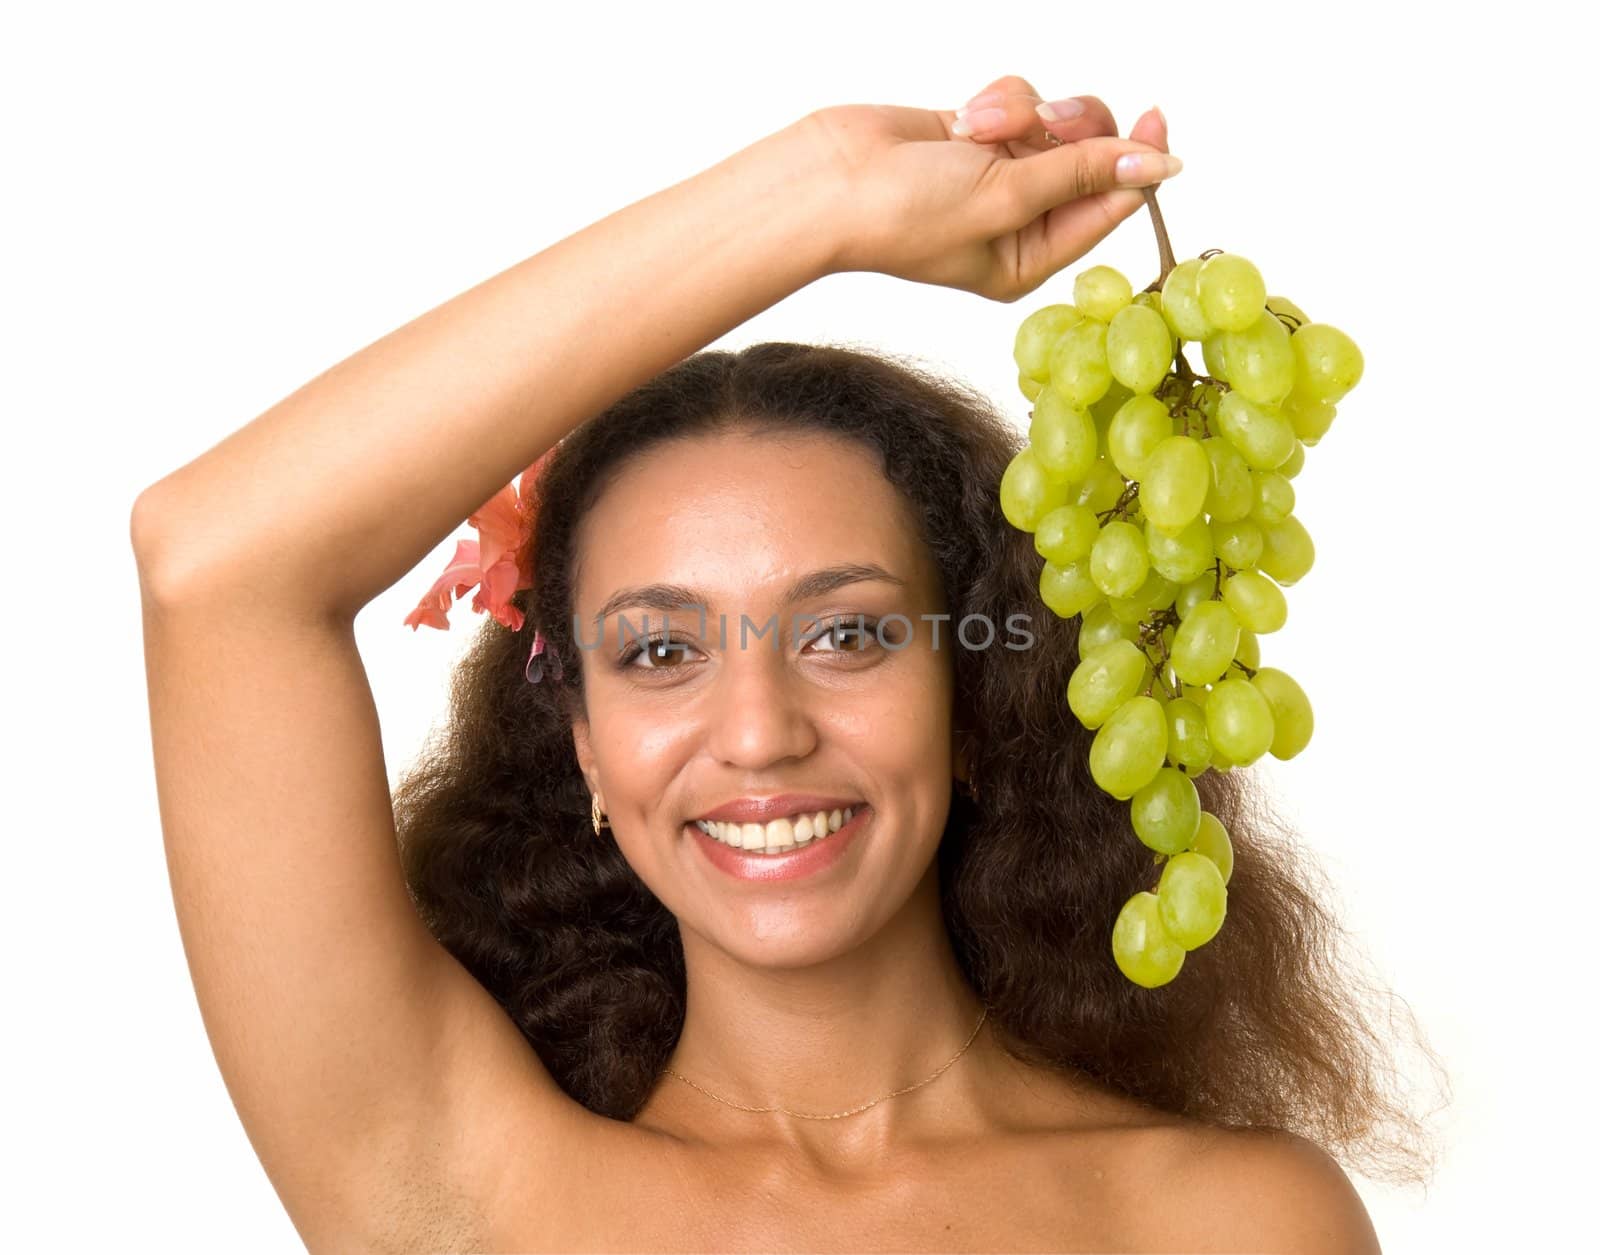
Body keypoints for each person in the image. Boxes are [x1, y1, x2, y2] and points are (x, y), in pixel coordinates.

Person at [133, 74, 1437, 1252]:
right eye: (658, 650)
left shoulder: (1231, 1225)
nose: (758, 731)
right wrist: (823, 192)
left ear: (973, 700)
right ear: (581, 740)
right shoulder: (462, 1186)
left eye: (850, 635)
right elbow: (215, 563)